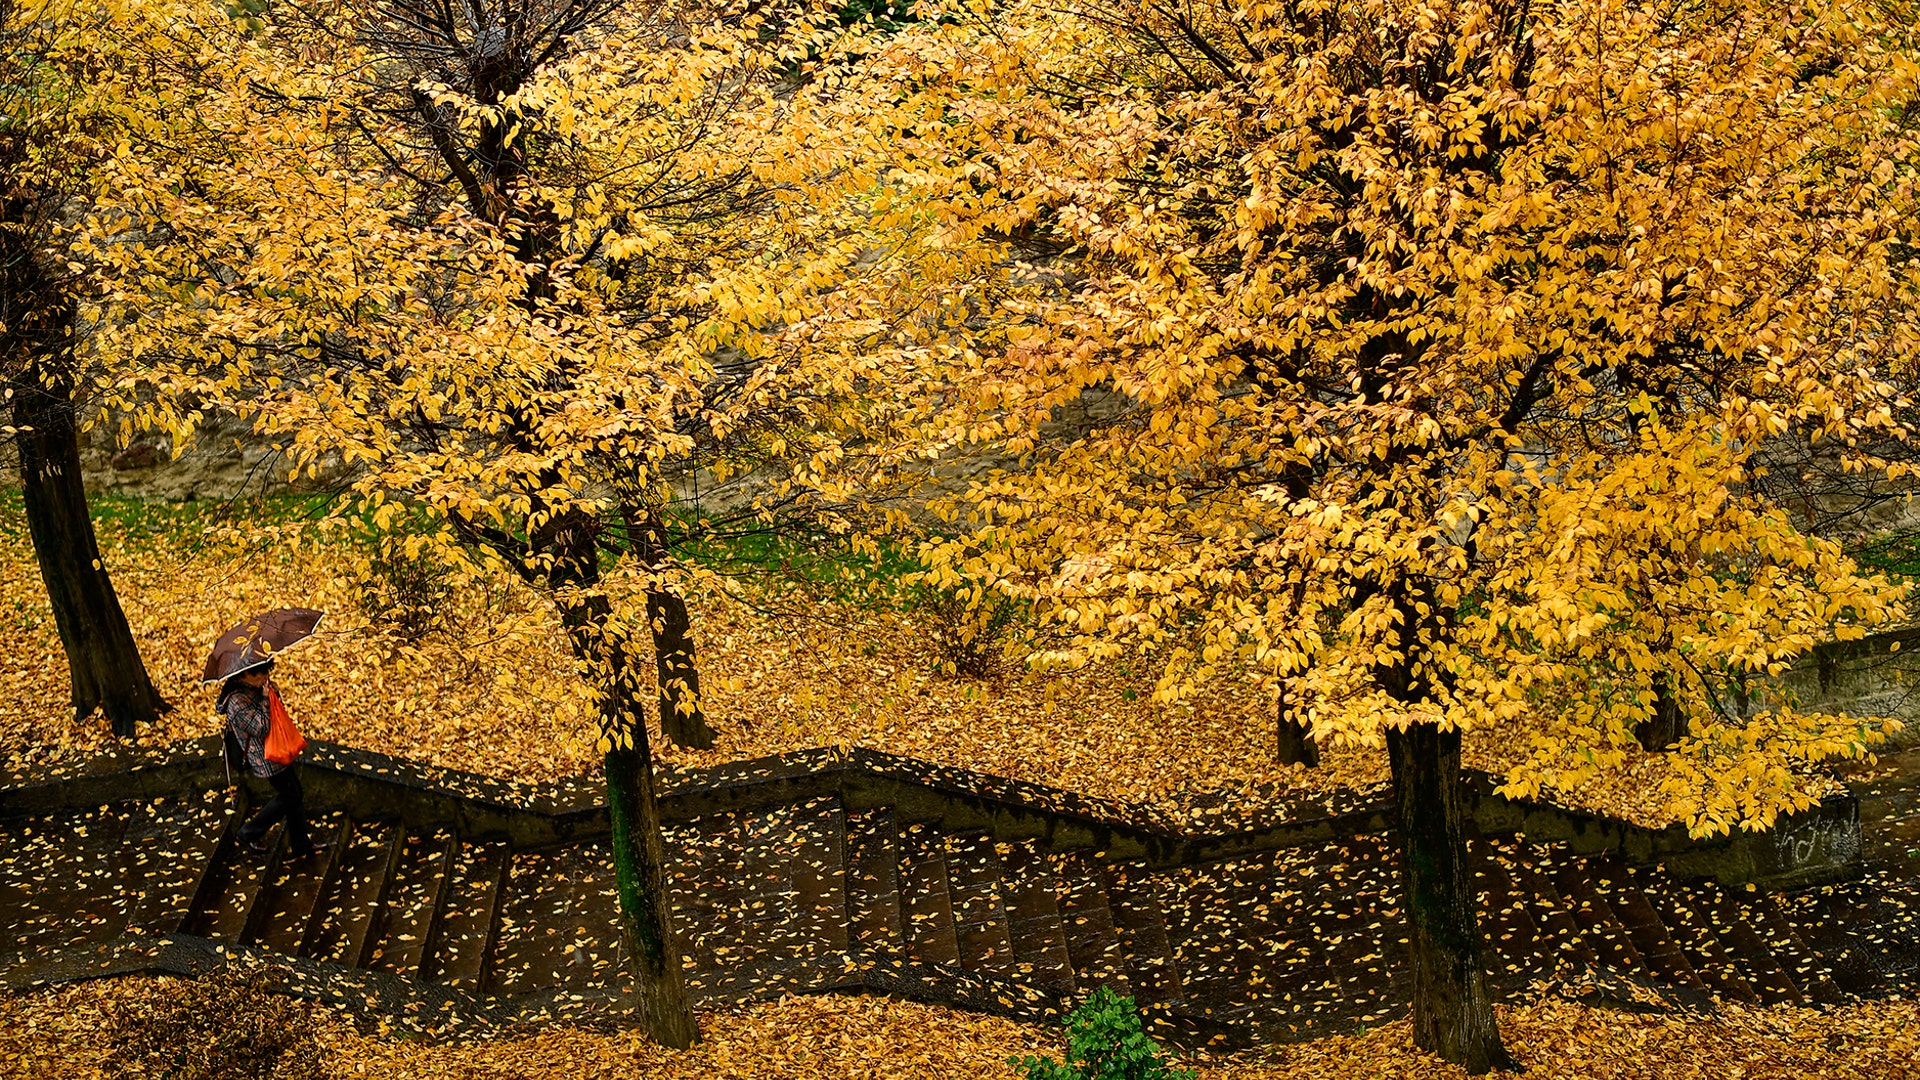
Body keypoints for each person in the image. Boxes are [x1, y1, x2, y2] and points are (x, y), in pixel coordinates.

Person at [218, 660, 324, 857]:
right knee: (290, 795)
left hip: (277, 750)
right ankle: (248, 832)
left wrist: (274, 695)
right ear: (242, 675)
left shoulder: (253, 688)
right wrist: (266, 699)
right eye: (258, 675)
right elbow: (261, 728)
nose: (263, 678)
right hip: (265, 757)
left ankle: (301, 844)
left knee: (294, 794)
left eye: (265, 673)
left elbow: (274, 716)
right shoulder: (237, 703)